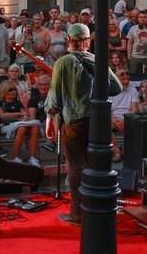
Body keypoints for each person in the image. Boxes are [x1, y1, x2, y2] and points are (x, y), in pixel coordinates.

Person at [45, 23, 121, 226]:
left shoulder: (62, 62)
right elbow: (116, 87)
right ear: (88, 42)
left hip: (74, 123)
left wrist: (49, 119)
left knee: (76, 168)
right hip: (97, 123)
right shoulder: (96, 60)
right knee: (95, 165)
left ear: (69, 41)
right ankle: (98, 209)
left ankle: (78, 214)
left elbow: (54, 99)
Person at [0, 81, 39, 166]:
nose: (13, 92)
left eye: (14, 90)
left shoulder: (17, 103)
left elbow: (25, 114)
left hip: (19, 123)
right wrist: (18, 114)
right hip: (6, 125)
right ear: (4, 91)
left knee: (35, 127)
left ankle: (32, 158)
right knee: (22, 128)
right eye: (10, 90)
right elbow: (1, 115)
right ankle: (15, 157)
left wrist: (25, 117)